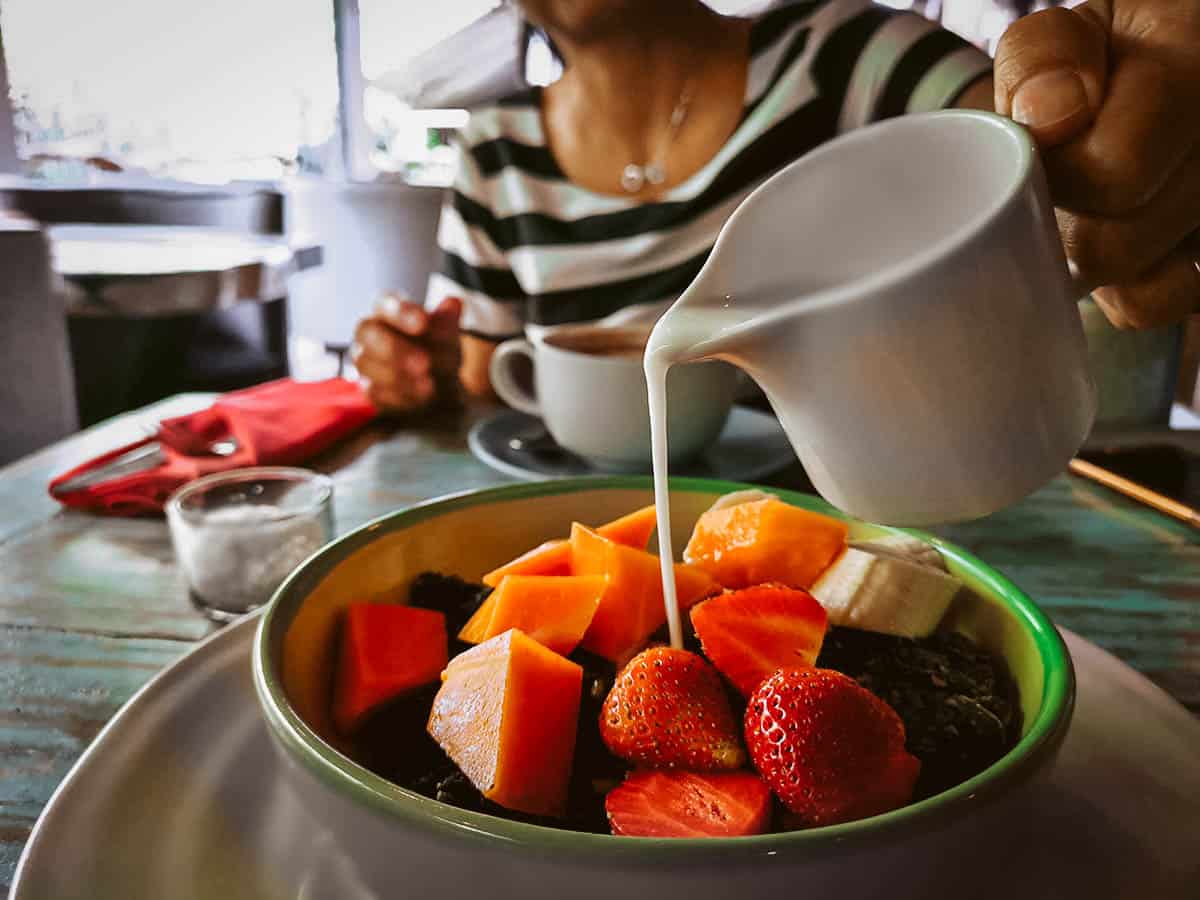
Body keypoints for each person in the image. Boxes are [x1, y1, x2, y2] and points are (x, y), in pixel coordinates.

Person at [353, 0, 1200, 414]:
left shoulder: (847, 56)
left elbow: (1042, 170)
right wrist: (413, 369)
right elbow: (483, 376)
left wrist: (1126, 149)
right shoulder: (496, 147)